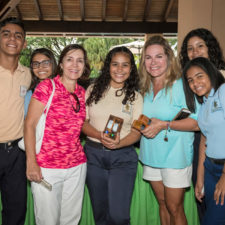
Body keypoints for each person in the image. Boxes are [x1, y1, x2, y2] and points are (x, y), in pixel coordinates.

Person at [24, 44, 90, 225]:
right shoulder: (47, 87)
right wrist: (31, 162)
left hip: (76, 166)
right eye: (69, 59)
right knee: (47, 221)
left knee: (71, 221)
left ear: (84, 66)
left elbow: (83, 126)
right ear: (60, 64)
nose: (74, 65)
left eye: (80, 61)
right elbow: (29, 125)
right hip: (47, 167)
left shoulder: (83, 93)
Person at [138, 35, 199, 225]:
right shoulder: (145, 87)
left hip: (175, 157)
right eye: (148, 57)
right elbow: (142, 119)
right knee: (163, 204)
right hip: (151, 155)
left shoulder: (182, 85)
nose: (153, 62)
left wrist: (163, 124)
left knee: (174, 208)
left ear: (168, 58)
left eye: (158, 56)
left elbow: (196, 123)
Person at [82, 46, 143, 225]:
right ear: (108, 66)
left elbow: (137, 132)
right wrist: (99, 135)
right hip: (93, 156)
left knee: (119, 216)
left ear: (131, 68)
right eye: (115, 64)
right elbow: (83, 123)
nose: (119, 69)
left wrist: (120, 143)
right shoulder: (92, 90)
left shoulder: (136, 97)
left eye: (125, 65)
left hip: (123, 158)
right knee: (100, 214)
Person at [179, 28, 225, 221]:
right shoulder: (204, 101)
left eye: (200, 76)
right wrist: (199, 178)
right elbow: (204, 139)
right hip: (209, 165)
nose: (195, 82)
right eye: (190, 79)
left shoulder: (222, 90)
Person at [0, 17, 31, 225]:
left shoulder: (28, 74)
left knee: (17, 210)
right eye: (6, 33)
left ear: (24, 43)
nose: (12, 38)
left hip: (17, 153)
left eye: (18, 35)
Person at [24, 48, 57, 116]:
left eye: (45, 63)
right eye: (36, 64)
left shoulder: (63, 89)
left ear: (53, 64)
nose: (40, 67)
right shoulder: (29, 94)